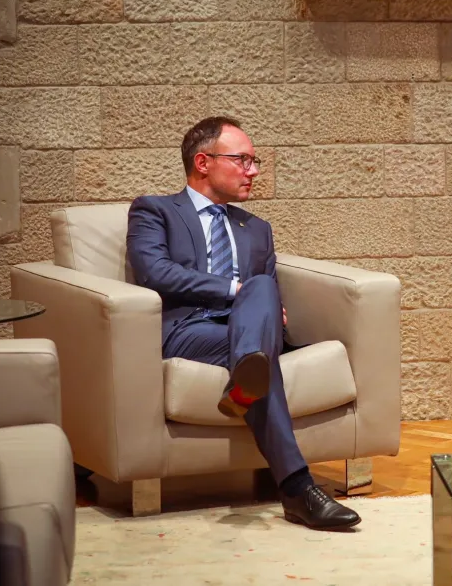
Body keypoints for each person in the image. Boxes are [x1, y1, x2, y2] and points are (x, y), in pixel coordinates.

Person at [126, 116, 361, 531]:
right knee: (254, 298)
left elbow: (267, 289)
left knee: (262, 295)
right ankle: (296, 485)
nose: (253, 171)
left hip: (245, 331)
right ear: (203, 162)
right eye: (243, 160)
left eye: (255, 162)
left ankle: (251, 389)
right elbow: (156, 273)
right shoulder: (155, 210)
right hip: (189, 330)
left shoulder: (257, 228)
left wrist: (262, 302)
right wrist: (239, 292)